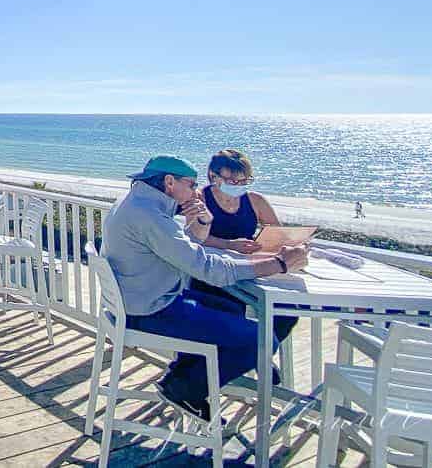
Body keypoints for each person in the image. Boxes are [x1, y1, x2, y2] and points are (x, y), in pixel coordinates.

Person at [101, 155, 309, 422]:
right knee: (261, 340)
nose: (193, 191)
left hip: (140, 300)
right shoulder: (150, 216)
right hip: (150, 311)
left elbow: (178, 248)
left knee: (231, 308)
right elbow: (206, 268)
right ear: (169, 182)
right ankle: (185, 388)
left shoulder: (138, 204)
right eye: (190, 184)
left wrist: (202, 221)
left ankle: (181, 376)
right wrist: (278, 264)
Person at [195, 149, 299, 343]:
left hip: (251, 266)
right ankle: (246, 353)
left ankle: (261, 353)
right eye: (233, 182)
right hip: (214, 270)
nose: (239, 186)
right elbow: (195, 237)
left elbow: (278, 234)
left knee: (287, 312)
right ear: (213, 176)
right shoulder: (201, 198)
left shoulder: (254, 200)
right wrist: (229, 244)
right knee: (229, 310)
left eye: (245, 181)